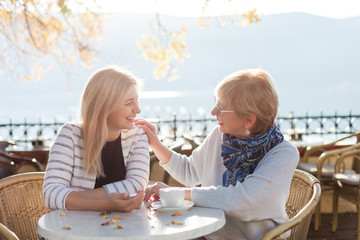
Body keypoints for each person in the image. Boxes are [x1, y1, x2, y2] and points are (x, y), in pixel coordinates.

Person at [136, 69, 299, 240]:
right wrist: (155, 144)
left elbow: (244, 201)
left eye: (221, 108)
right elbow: (189, 171)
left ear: (248, 120)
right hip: (212, 232)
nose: (213, 112)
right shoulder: (220, 136)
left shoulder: (283, 154)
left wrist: (175, 194)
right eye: (216, 103)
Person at [43, 66, 149, 212]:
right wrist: (105, 203)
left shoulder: (137, 136)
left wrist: (74, 199)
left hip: (121, 230)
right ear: (105, 105)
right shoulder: (70, 135)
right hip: (72, 231)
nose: (138, 110)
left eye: (137, 100)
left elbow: (136, 185)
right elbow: (51, 194)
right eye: (129, 103)